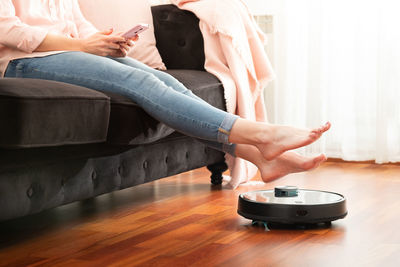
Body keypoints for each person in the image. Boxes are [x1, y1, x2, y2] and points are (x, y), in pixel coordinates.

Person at [0, 0, 331, 183]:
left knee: (168, 82)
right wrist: (82, 45)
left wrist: (106, 40)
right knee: (141, 84)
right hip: (23, 62)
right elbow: (9, 30)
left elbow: (78, 23)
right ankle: (262, 135)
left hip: (71, 53)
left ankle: (257, 157)